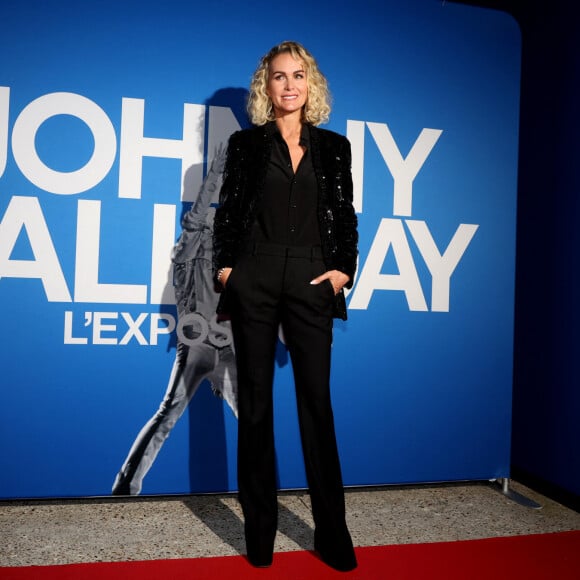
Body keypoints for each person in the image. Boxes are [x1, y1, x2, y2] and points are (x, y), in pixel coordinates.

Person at [212, 41, 358, 571]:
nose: (289, 85)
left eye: (299, 75)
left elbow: (345, 215)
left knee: (316, 406)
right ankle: (260, 536)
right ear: (265, 86)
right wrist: (228, 271)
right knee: (254, 405)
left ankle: (333, 535)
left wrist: (344, 268)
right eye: (279, 76)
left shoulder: (335, 147)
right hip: (255, 276)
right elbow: (227, 215)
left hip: (312, 279)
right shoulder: (246, 145)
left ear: (310, 84)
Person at [112, 148, 238, 496]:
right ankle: (125, 486)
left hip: (229, 348)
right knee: (167, 415)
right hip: (197, 345)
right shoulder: (186, 250)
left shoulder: (232, 255)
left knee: (257, 421)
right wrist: (215, 172)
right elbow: (197, 217)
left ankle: (261, 489)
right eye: (210, 226)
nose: (215, 227)